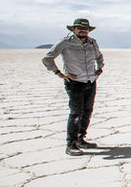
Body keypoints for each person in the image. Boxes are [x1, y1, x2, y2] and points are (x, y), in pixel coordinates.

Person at [42, 18, 104, 156]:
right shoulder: (66, 42)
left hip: (91, 81)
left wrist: (100, 68)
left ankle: (81, 139)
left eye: (86, 28)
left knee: (87, 111)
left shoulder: (92, 43)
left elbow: (99, 56)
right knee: (76, 113)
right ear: (73, 29)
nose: (83, 30)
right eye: (80, 28)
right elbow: (47, 58)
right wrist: (59, 73)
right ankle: (71, 144)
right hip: (75, 83)